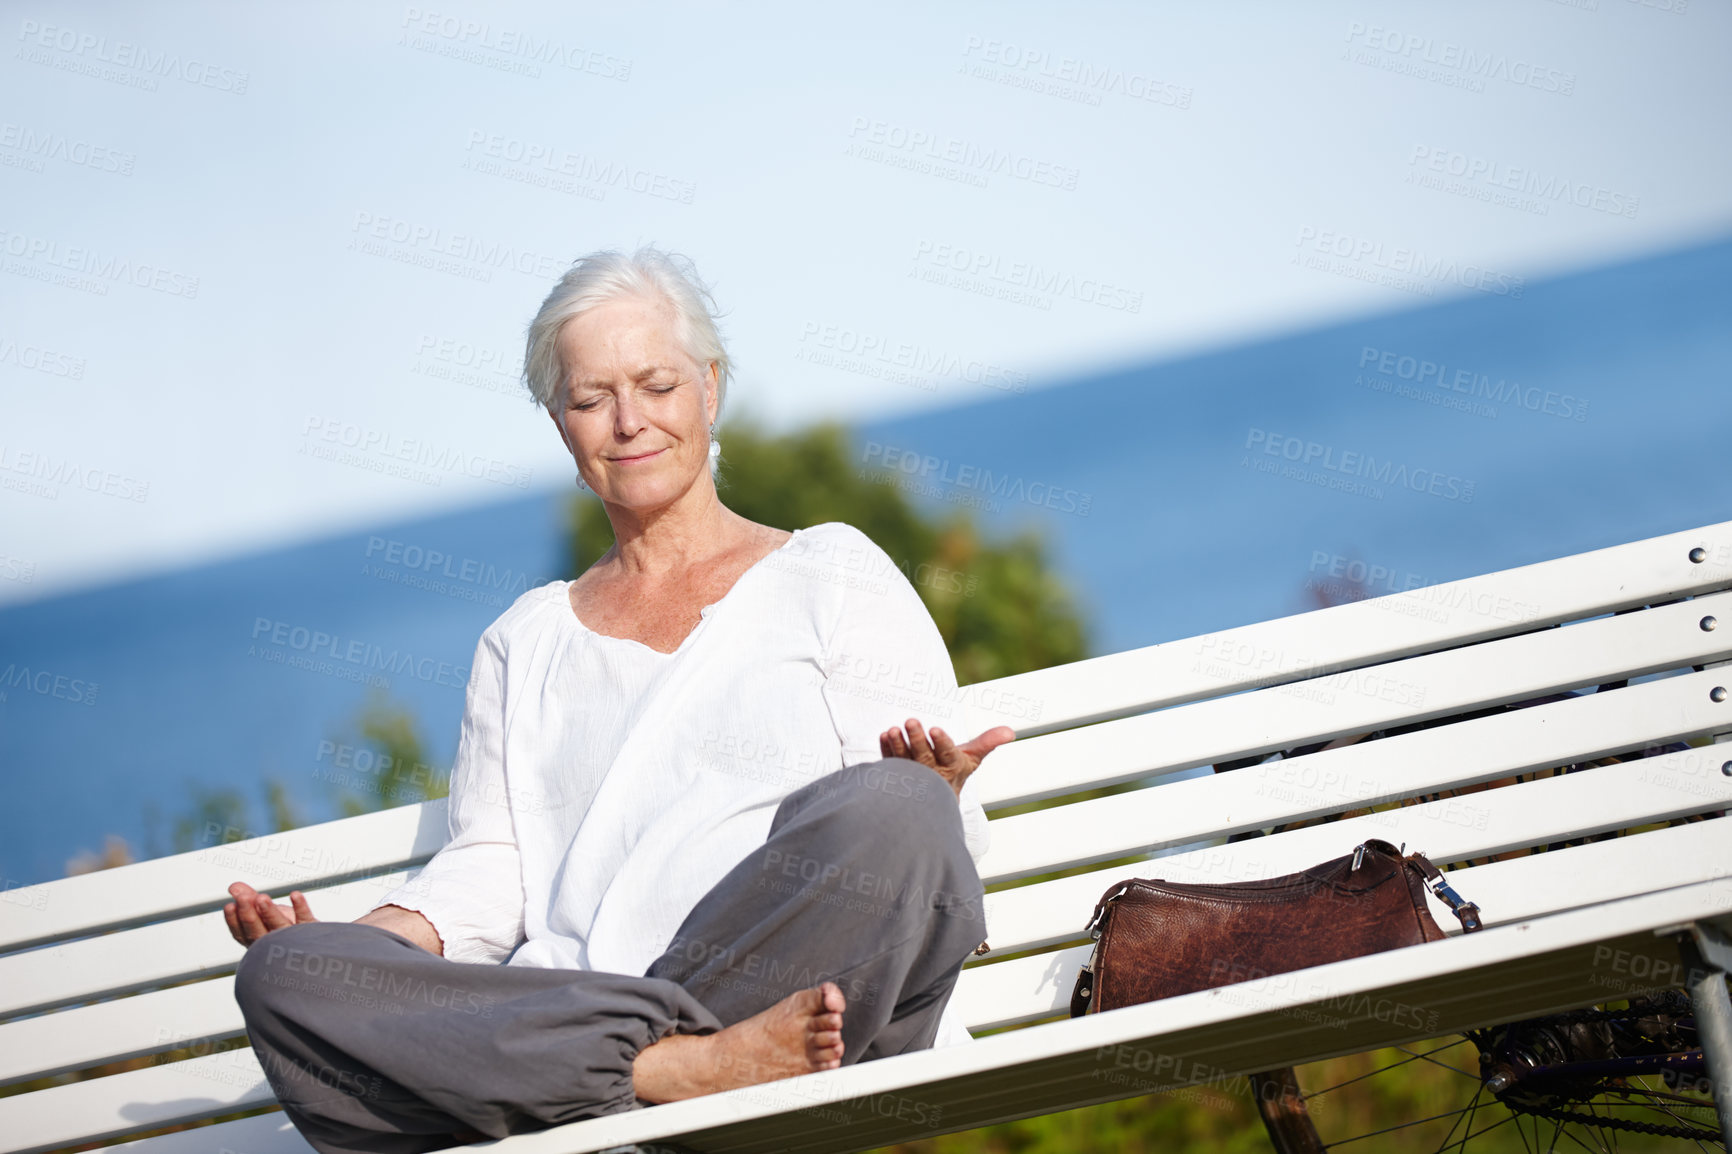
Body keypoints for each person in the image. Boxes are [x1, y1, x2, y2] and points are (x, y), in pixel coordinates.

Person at [225, 246, 1017, 1154]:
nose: (629, 421)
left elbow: (921, 860)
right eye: (591, 398)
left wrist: (939, 793)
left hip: (803, 997)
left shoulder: (829, 571)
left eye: (656, 385)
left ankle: (620, 1077)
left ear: (710, 389)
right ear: (560, 424)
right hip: (600, 1001)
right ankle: (673, 1073)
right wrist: (374, 942)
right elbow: (492, 872)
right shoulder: (525, 640)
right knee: (287, 974)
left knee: (901, 806)